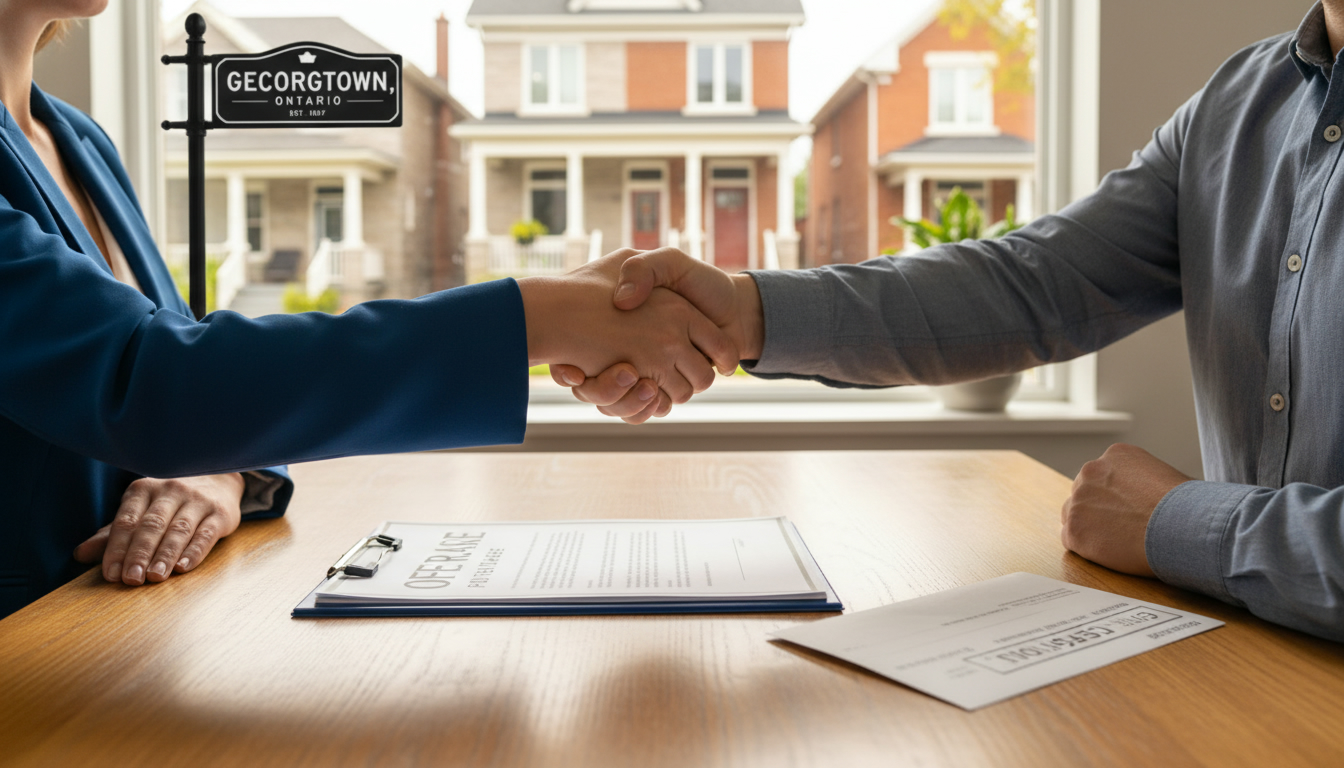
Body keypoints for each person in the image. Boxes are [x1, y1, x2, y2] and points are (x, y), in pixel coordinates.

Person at [557, 1, 1344, 643]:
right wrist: (743, 311)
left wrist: (1182, 525)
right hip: (1255, 663)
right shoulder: (1239, 105)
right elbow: (1031, 286)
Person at [0, 1, 733, 617]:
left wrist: (219, 470)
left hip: (118, 635)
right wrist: (536, 318)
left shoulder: (75, 138)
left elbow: (194, 374)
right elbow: (151, 383)